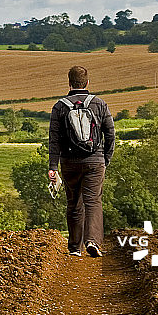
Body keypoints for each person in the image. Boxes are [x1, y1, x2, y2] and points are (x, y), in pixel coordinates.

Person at [48, 65, 115, 257]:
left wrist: (53, 166)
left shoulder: (59, 107)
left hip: (69, 163)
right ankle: (92, 241)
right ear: (87, 83)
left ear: (69, 83)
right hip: (95, 160)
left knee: (74, 203)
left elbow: (54, 139)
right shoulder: (99, 104)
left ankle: (75, 248)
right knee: (93, 201)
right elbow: (110, 134)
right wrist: (105, 158)